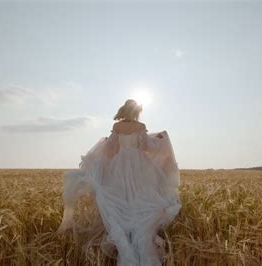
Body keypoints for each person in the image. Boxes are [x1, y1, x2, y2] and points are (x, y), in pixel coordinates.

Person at [57, 99, 182, 266]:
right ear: (136, 111)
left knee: (121, 193)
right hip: (139, 164)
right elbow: (147, 147)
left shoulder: (117, 127)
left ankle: (124, 220)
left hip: (120, 164)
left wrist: (101, 162)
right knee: (140, 192)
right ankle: (137, 221)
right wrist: (160, 139)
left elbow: (110, 149)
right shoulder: (140, 126)